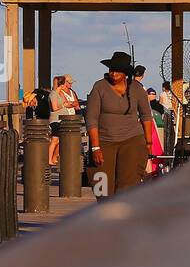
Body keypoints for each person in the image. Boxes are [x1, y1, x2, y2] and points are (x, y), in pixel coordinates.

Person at [85, 50, 154, 196]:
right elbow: (91, 118)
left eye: (118, 71)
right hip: (104, 141)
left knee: (128, 187)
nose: (113, 74)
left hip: (132, 140)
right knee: (101, 186)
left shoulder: (136, 89)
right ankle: (104, 214)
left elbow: (146, 115)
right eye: (111, 70)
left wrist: (148, 143)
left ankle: (122, 215)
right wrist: (95, 147)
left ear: (125, 73)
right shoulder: (99, 87)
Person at [49, 75, 80, 165]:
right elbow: (56, 107)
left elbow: (75, 104)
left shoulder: (70, 92)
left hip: (66, 118)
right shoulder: (55, 94)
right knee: (55, 140)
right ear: (62, 84)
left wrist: (68, 104)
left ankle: (54, 157)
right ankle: (49, 158)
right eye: (68, 83)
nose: (69, 85)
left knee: (60, 140)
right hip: (56, 119)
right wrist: (65, 104)